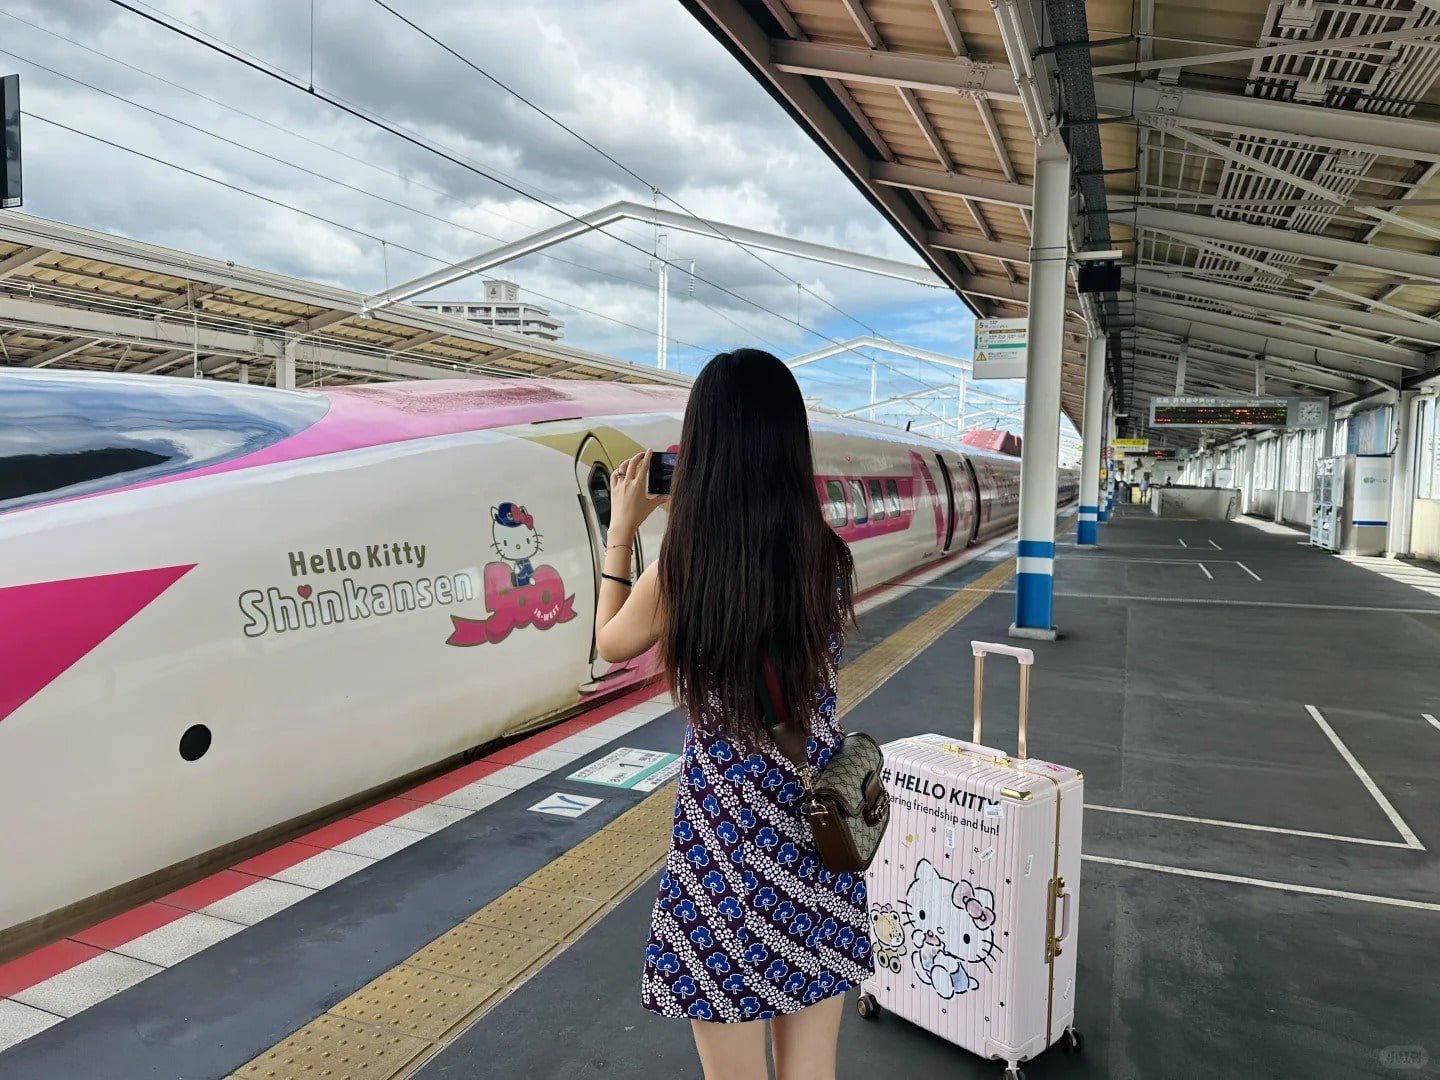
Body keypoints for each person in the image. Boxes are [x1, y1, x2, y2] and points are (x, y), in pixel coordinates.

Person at [594, 348, 869, 1080]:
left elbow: (611, 640)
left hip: (723, 852)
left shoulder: (685, 565)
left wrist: (625, 528)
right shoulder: (828, 558)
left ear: (704, 447)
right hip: (818, 832)